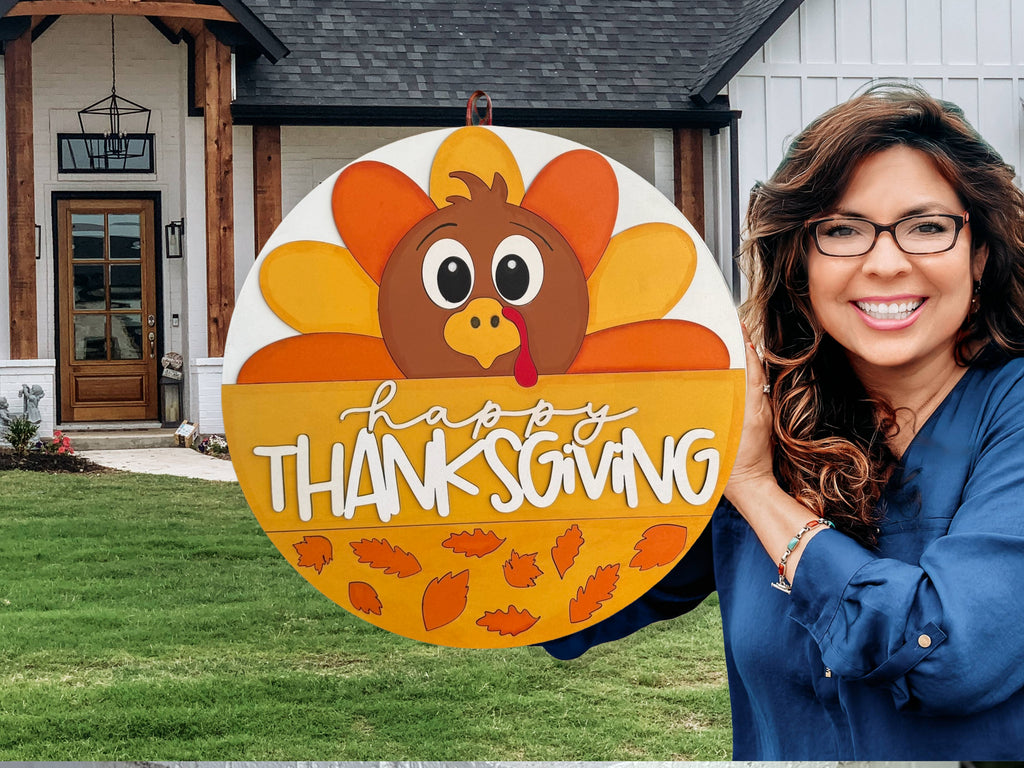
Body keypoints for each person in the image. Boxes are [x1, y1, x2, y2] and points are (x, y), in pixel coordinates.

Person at [544, 83, 1024, 759]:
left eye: (926, 226)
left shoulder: (1011, 413)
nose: (886, 263)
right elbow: (574, 599)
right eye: (842, 230)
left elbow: (948, 657)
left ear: (979, 255)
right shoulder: (764, 414)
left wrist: (756, 489)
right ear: (800, 262)